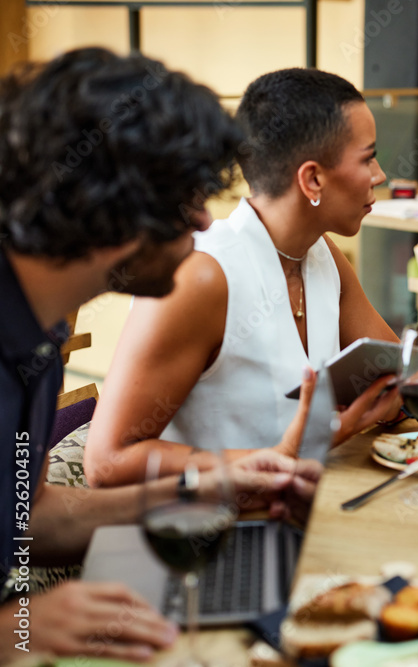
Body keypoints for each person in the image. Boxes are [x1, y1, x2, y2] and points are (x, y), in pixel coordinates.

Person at [0, 48, 322, 661]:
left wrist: (211, 488)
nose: (205, 221)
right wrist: (15, 628)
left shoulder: (40, 335)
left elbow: (27, 519)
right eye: (185, 203)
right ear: (113, 210)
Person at [85, 68, 403, 487]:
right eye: (367, 158)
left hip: (306, 506)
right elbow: (107, 462)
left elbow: (398, 379)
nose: (379, 175)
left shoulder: (325, 258)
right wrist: (295, 450)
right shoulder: (201, 278)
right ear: (312, 179)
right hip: (207, 533)